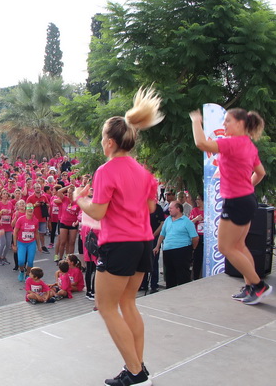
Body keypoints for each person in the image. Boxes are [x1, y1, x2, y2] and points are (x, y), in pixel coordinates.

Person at [74, 87, 163, 385]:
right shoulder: (144, 172)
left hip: (119, 244)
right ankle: (137, 367)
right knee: (128, 303)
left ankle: (136, 372)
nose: (101, 143)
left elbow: (98, 212)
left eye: (102, 138)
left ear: (110, 142)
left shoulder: (106, 170)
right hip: (142, 242)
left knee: (106, 307)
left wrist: (80, 199)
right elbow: (151, 207)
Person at [190, 108, 269, 304]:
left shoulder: (231, 143)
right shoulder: (249, 145)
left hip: (236, 201)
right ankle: (250, 287)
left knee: (225, 247)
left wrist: (196, 121)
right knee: (239, 246)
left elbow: (201, 143)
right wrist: (246, 187)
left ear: (240, 124)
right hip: (246, 199)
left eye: (227, 121)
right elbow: (260, 173)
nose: (224, 125)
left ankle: (258, 285)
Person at [154, 202, 198, 289]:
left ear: (178, 209)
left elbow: (195, 238)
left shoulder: (186, 221)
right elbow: (162, 234)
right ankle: (170, 292)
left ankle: (184, 292)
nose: (169, 210)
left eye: (171, 208)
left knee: (182, 275)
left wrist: (192, 248)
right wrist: (157, 246)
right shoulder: (168, 220)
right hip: (168, 250)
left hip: (182, 250)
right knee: (169, 275)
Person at [13, 203, 40, 282]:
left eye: (31, 209)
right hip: (21, 243)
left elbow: (36, 233)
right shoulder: (21, 219)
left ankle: (28, 274)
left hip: (31, 243)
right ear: (25, 210)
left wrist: (39, 246)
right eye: (28, 208)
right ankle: (22, 271)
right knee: (21, 261)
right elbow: (15, 232)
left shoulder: (35, 220)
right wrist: (15, 244)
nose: (30, 210)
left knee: (30, 261)